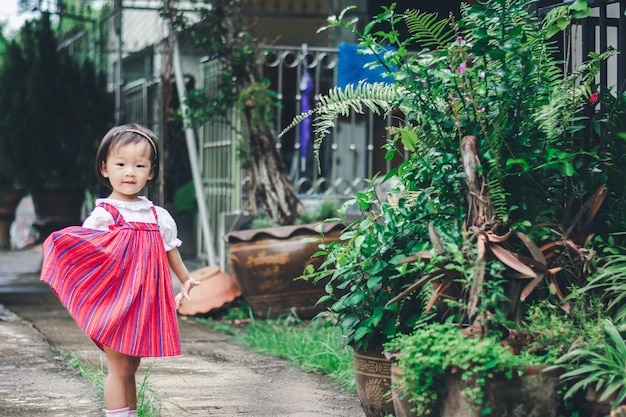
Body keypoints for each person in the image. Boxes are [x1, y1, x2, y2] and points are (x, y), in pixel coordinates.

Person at [41, 123, 200, 417]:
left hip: (145, 301)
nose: (130, 172)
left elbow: (170, 250)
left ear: (151, 172)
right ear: (105, 168)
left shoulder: (157, 215)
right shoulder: (104, 213)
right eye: (121, 164)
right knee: (118, 366)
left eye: (140, 165)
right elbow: (87, 249)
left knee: (131, 366)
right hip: (116, 300)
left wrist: (186, 279)